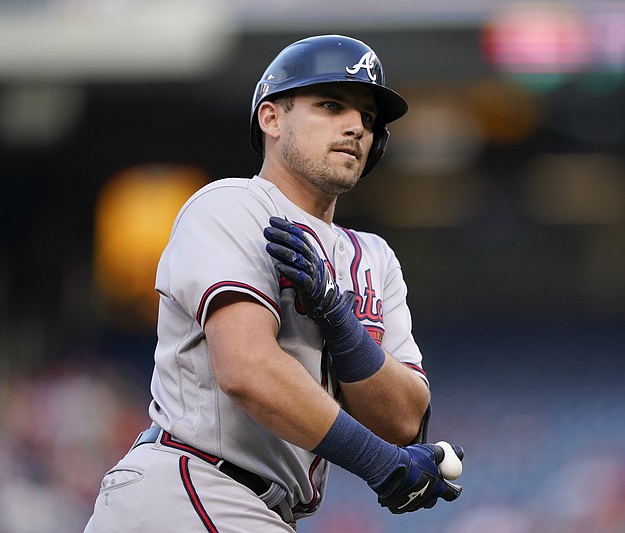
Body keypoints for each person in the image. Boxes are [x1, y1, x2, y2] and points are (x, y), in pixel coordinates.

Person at [84, 34, 463, 532]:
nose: (355, 127)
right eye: (331, 105)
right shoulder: (232, 206)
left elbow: (404, 422)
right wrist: (379, 462)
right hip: (193, 486)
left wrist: (340, 321)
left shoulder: (374, 257)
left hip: (255, 507)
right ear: (272, 118)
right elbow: (247, 369)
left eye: (368, 119)